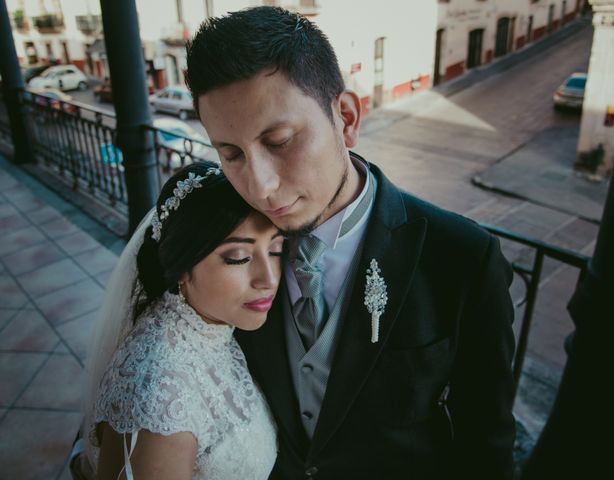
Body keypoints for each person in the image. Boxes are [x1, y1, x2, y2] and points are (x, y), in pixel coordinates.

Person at [185, 6, 516, 479]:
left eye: (278, 141)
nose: (259, 187)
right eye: (231, 154)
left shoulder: (462, 257)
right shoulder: (222, 247)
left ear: (345, 117)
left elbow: (488, 443)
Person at [80, 162, 282, 479]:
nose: (268, 278)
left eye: (276, 249)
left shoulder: (208, 323)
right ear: (182, 267)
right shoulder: (160, 398)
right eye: (238, 258)